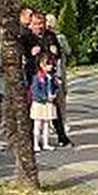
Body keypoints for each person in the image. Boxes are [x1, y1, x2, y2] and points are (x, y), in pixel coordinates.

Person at [45, 13, 74, 146]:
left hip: (58, 71)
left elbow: (67, 51)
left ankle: (62, 124)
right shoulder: (43, 36)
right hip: (46, 72)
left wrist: (59, 48)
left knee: (59, 99)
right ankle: (52, 125)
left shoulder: (58, 37)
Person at [30, 54, 59, 151]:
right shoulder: (37, 77)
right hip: (39, 103)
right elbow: (35, 91)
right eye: (48, 64)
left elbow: (55, 88)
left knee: (47, 124)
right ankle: (36, 144)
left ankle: (46, 143)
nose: (50, 66)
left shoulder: (51, 77)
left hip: (48, 103)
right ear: (41, 65)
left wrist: (54, 94)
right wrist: (45, 97)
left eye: (51, 64)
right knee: (37, 124)